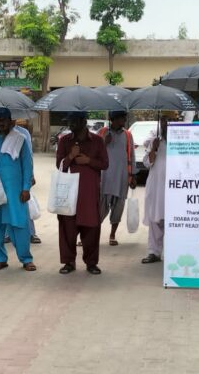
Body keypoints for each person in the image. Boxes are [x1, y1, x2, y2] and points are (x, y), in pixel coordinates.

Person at [0, 108, 36, 272]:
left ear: (11, 121)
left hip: (15, 193)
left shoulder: (20, 140)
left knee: (20, 225)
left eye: (4, 120)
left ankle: (26, 259)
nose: (1, 123)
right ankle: (0, 259)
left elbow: (27, 166)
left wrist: (26, 188)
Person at [55, 111, 109, 275]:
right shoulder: (64, 141)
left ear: (84, 121)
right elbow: (59, 165)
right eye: (69, 121)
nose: (71, 125)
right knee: (67, 228)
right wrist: (71, 155)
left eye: (74, 121)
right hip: (68, 194)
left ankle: (91, 262)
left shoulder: (98, 141)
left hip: (89, 192)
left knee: (91, 228)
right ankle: (69, 262)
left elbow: (105, 164)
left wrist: (88, 161)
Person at [98, 110, 136, 246]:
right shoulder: (102, 132)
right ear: (113, 119)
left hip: (121, 178)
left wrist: (133, 175)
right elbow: (94, 151)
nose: (124, 121)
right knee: (99, 209)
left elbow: (131, 155)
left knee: (118, 208)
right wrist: (103, 142)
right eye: (121, 119)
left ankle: (112, 235)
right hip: (104, 178)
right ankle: (91, 235)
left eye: (124, 119)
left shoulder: (127, 135)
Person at [2, 123, 41, 244]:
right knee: (6, 204)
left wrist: (31, 175)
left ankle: (30, 233)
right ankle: (8, 234)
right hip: (5, 177)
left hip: (21, 175)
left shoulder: (24, 133)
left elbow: (28, 156)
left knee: (25, 203)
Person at [140, 115, 171, 265]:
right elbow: (147, 162)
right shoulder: (154, 141)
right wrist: (154, 148)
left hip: (174, 188)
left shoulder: (182, 141)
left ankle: (173, 252)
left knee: (173, 219)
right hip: (156, 186)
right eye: (164, 122)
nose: (167, 125)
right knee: (155, 219)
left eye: (170, 122)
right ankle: (154, 252)